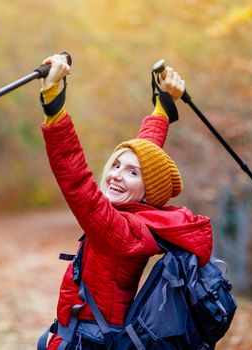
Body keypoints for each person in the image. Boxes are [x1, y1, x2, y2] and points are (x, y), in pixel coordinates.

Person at [37, 53, 213, 349]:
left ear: (147, 191)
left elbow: (77, 182)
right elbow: (147, 153)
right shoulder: (141, 216)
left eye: (132, 172)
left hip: (86, 342)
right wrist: (164, 105)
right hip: (95, 336)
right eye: (116, 164)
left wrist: (54, 103)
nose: (117, 175)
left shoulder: (120, 231)